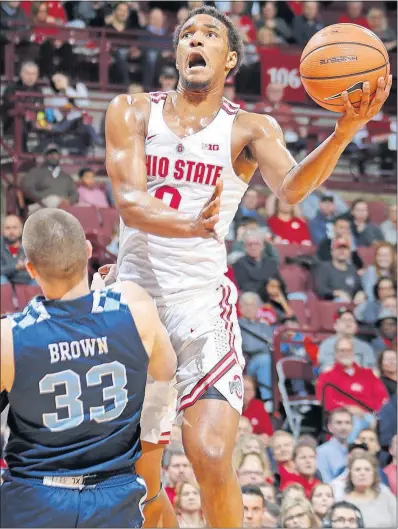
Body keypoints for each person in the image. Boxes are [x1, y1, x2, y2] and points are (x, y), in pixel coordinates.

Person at [104, 5, 391, 527]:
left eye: (210, 34)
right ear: (177, 54)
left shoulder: (249, 127)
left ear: (229, 58)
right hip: (136, 307)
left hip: (201, 306)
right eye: (187, 33)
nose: (196, 39)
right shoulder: (131, 110)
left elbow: (292, 187)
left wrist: (346, 129)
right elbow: (127, 200)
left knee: (211, 457)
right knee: (138, 483)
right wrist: (191, 225)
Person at [0, 208, 177, 528]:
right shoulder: (135, 307)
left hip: (36, 497)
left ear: (30, 269)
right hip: (114, 496)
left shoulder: (9, 337)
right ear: (86, 250)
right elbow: (165, 371)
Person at [316, 338, 389, 429]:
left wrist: (366, 411)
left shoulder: (368, 374)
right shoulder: (327, 376)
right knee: (351, 422)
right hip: (341, 417)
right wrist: (347, 409)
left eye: (348, 350)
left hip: (369, 416)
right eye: (341, 350)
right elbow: (325, 401)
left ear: (353, 352)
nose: (345, 353)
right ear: (335, 354)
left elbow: (382, 398)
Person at [343, 453, 397, 527]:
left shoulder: (388, 499)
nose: (362, 473)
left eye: (367, 469)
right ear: (350, 474)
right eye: (357, 469)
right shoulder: (342, 503)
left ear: (374, 474)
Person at [238, 292, 273, 401]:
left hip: (270, 359)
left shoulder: (263, 326)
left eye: (253, 305)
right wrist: (265, 346)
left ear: (258, 308)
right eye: (246, 305)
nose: (249, 308)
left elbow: (273, 343)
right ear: (241, 308)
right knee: (265, 360)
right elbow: (248, 346)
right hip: (248, 362)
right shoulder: (238, 325)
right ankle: (268, 400)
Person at [20, 144, 78, 212]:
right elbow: (28, 190)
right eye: (50, 154)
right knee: (53, 200)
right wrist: (45, 197)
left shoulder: (67, 177)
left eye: (56, 154)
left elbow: (74, 194)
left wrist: (68, 201)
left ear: (59, 156)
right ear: (45, 156)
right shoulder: (35, 172)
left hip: (63, 206)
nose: (53, 156)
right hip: (40, 206)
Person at [317, 308, 376, 373]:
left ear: (356, 326)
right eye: (344, 320)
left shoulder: (365, 347)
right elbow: (326, 369)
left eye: (351, 320)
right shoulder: (327, 345)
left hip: (360, 381)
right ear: (335, 325)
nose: (348, 323)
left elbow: (371, 371)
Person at [314, 237, 365, 303]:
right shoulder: (324, 267)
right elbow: (321, 289)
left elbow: (359, 287)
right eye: (339, 248)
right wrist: (337, 293)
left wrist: (360, 293)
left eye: (345, 248)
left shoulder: (352, 268)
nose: (342, 251)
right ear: (332, 252)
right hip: (333, 304)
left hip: (352, 303)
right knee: (341, 300)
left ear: (349, 252)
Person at [316, 408, 353, 483]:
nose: (343, 427)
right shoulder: (321, 452)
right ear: (330, 427)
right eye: (339, 423)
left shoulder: (356, 449)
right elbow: (325, 482)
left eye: (347, 422)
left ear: (352, 426)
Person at [1, 214, 36, 286]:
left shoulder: (30, 243)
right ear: (2, 230)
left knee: (39, 282)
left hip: (28, 280)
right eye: (7, 228)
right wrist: (16, 267)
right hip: (5, 280)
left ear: (21, 229)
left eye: (14, 228)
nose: (11, 231)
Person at [241, 374, 274, 440]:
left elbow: (268, 433)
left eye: (247, 389)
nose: (243, 392)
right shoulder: (230, 406)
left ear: (253, 392)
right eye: (241, 389)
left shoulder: (258, 405)